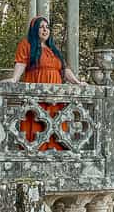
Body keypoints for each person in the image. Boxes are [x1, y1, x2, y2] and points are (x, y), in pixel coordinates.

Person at [11, 16, 86, 150]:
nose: (45, 30)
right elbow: (21, 62)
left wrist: (77, 82)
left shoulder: (53, 49)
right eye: (41, 27)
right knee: (37, 123)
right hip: (37, 90)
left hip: (55, 95)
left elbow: (64, 69)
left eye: (47, 27)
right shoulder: (26, 44)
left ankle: (55, 151)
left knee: (55, 123)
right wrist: (14, 79)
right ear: (34, 29)